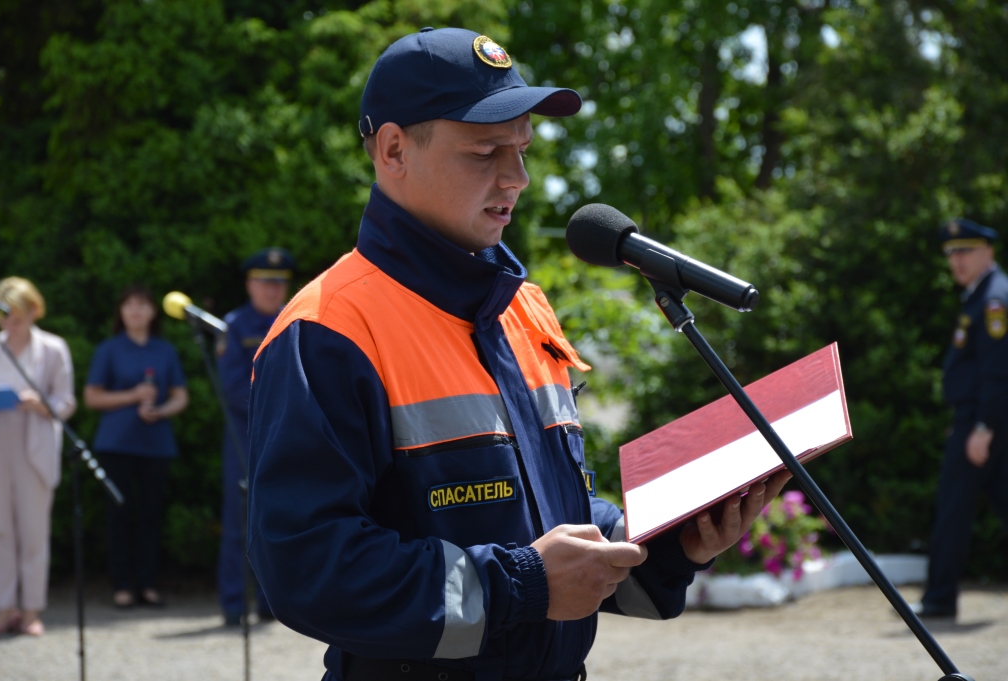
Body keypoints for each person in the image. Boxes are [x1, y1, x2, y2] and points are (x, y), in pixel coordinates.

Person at [247, 27, 792, 681]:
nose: (519, 178)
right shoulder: (326, 330)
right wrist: (525, 583)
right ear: (393, 150)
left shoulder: (524, 309)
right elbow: (306, 568)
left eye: (523, 150)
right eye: (486, 152)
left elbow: (549, 514)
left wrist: (664, 543)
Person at [914, 218, 1008, 619]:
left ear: (988, 251)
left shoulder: (993, 299)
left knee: (953, 507)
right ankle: (939, 595)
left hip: (982, 421)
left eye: (965, 250)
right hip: (982, 420)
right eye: (951, 252)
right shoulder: (982, 295)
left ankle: (939, 598)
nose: (957, 260)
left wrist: (983, 427)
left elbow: (997, 371)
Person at [84, 285, 189, 609]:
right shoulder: (109, 349)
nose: (136, 311)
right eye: (129, 305)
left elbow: (180, 396)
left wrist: (162, 411)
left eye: (142, 305)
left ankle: (148, 584)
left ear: (153, 312)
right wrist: (133, 396)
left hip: (156, 444)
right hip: (116, 444)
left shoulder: (164, 350)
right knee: (118, 515)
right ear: (121, 312)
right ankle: (121, 585)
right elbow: (92, 397)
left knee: (150, 516)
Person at [0, 277, 76, 637]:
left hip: (34, 443)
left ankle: (32, 610)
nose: (10, 324)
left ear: (34, 310)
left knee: (34, 531)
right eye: (4, 316)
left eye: (17, 317)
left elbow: (66, 401)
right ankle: (5, 608)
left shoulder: (52, 348)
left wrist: (41, 404)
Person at [216, 247, 295, 626]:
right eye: (265, 282)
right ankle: (234, 603)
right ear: (249, 284)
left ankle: (271, 603)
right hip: (245, 435)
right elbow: (233, 386)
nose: (272, 289)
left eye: (278, 283)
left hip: (288, 434)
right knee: (239, 521)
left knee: (279, 518)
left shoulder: (294, 319)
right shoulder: (233, 326)